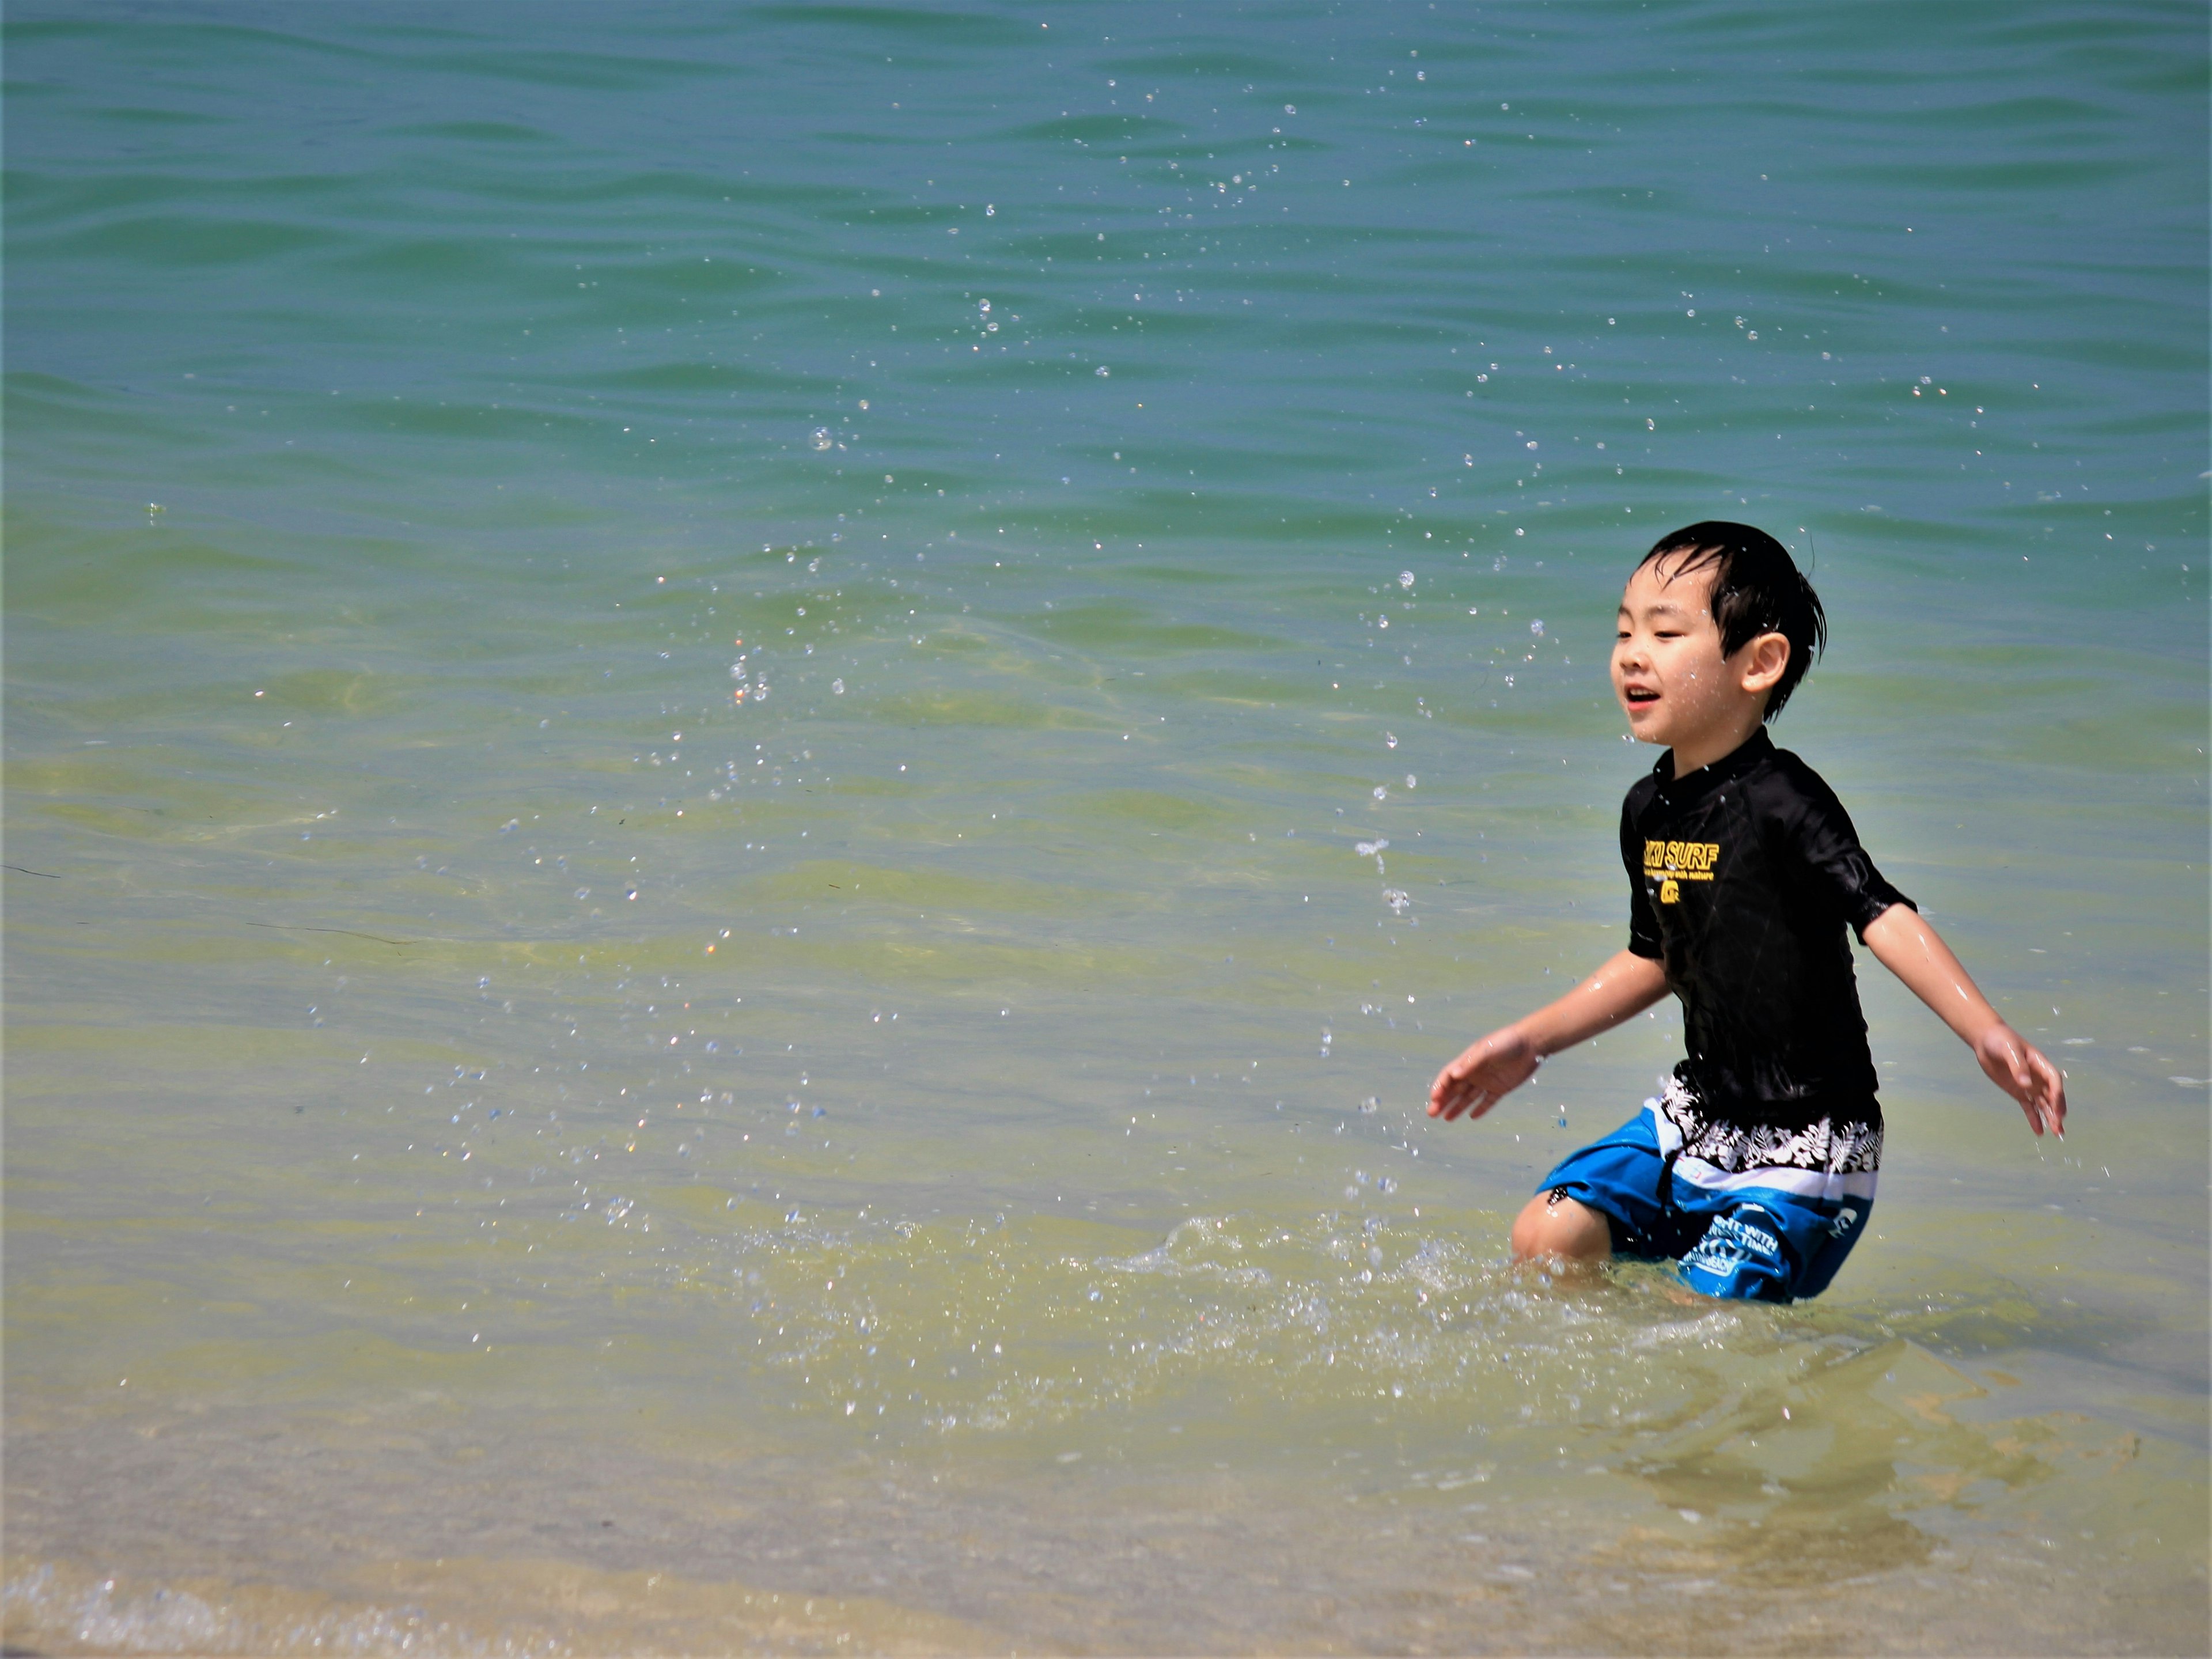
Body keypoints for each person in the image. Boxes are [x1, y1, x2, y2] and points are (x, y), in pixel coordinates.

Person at [1427, 522, 2067, 1301]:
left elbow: (1881, 913)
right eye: (1624, 631)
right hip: (1698, 1113)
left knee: (1705, 1313)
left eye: (1665, 632)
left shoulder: (1786, 802)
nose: (1633, 653)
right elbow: (1658, 957)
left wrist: (1985, 1030)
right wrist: (1532, 1041)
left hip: (1810, 1141)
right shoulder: (1648, 810)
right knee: (1549, 1232)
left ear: (1760, 663)